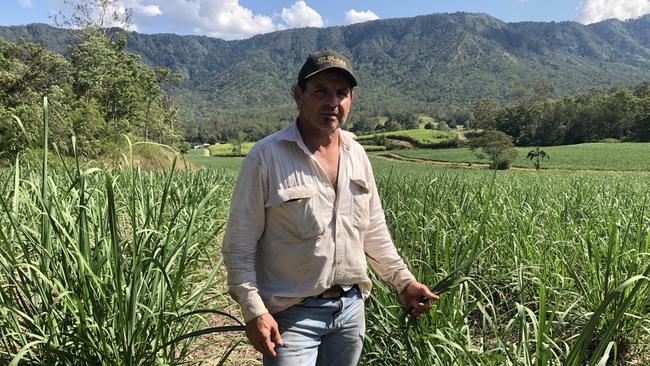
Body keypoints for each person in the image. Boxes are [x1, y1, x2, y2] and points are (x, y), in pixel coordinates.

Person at [222, 48, 439, 365]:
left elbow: (373, 231)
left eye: (342, 92)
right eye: (320, 91)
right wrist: (253, 310)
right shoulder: (266, 156)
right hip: (291, 316)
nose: (332, 102)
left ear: (351, 99)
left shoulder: (357, 154)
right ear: (299, 95)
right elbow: (239, 244)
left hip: (351, 311)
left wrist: (403, 282)